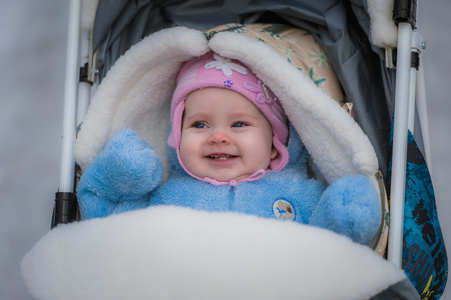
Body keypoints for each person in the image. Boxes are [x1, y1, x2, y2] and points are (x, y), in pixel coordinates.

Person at [77, 52, 381, 245]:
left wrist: (342, 218)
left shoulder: (300, 195)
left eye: (238, 125)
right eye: (199, 125)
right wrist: (121, 176)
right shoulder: (166, 197)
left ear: (275, 145)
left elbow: (326, 251)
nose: (218, 137)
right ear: (176, 139)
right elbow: (111, 227)